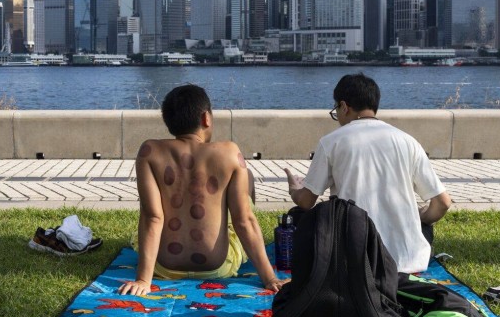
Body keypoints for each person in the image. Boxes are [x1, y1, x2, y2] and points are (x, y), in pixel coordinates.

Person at [118, 84, 286, 296]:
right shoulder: (229, 153)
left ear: (169, 123)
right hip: (217, 269)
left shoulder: (150, 152)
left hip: (164, 269)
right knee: (247, 180)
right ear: (206, 118)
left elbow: (153, 217)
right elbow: (245, 221)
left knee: (147, 214)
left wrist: (143, 280)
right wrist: (270, 278)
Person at [283, 73, 451, 273]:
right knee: (423, 223)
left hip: (355, 261)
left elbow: (306, 202)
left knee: (299, 218)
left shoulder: (332, 142)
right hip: (408, 262)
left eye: (336, 109)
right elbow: (442, 203)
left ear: (344, 106)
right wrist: (420, 216)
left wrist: (295, 189)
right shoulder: (408, 141)